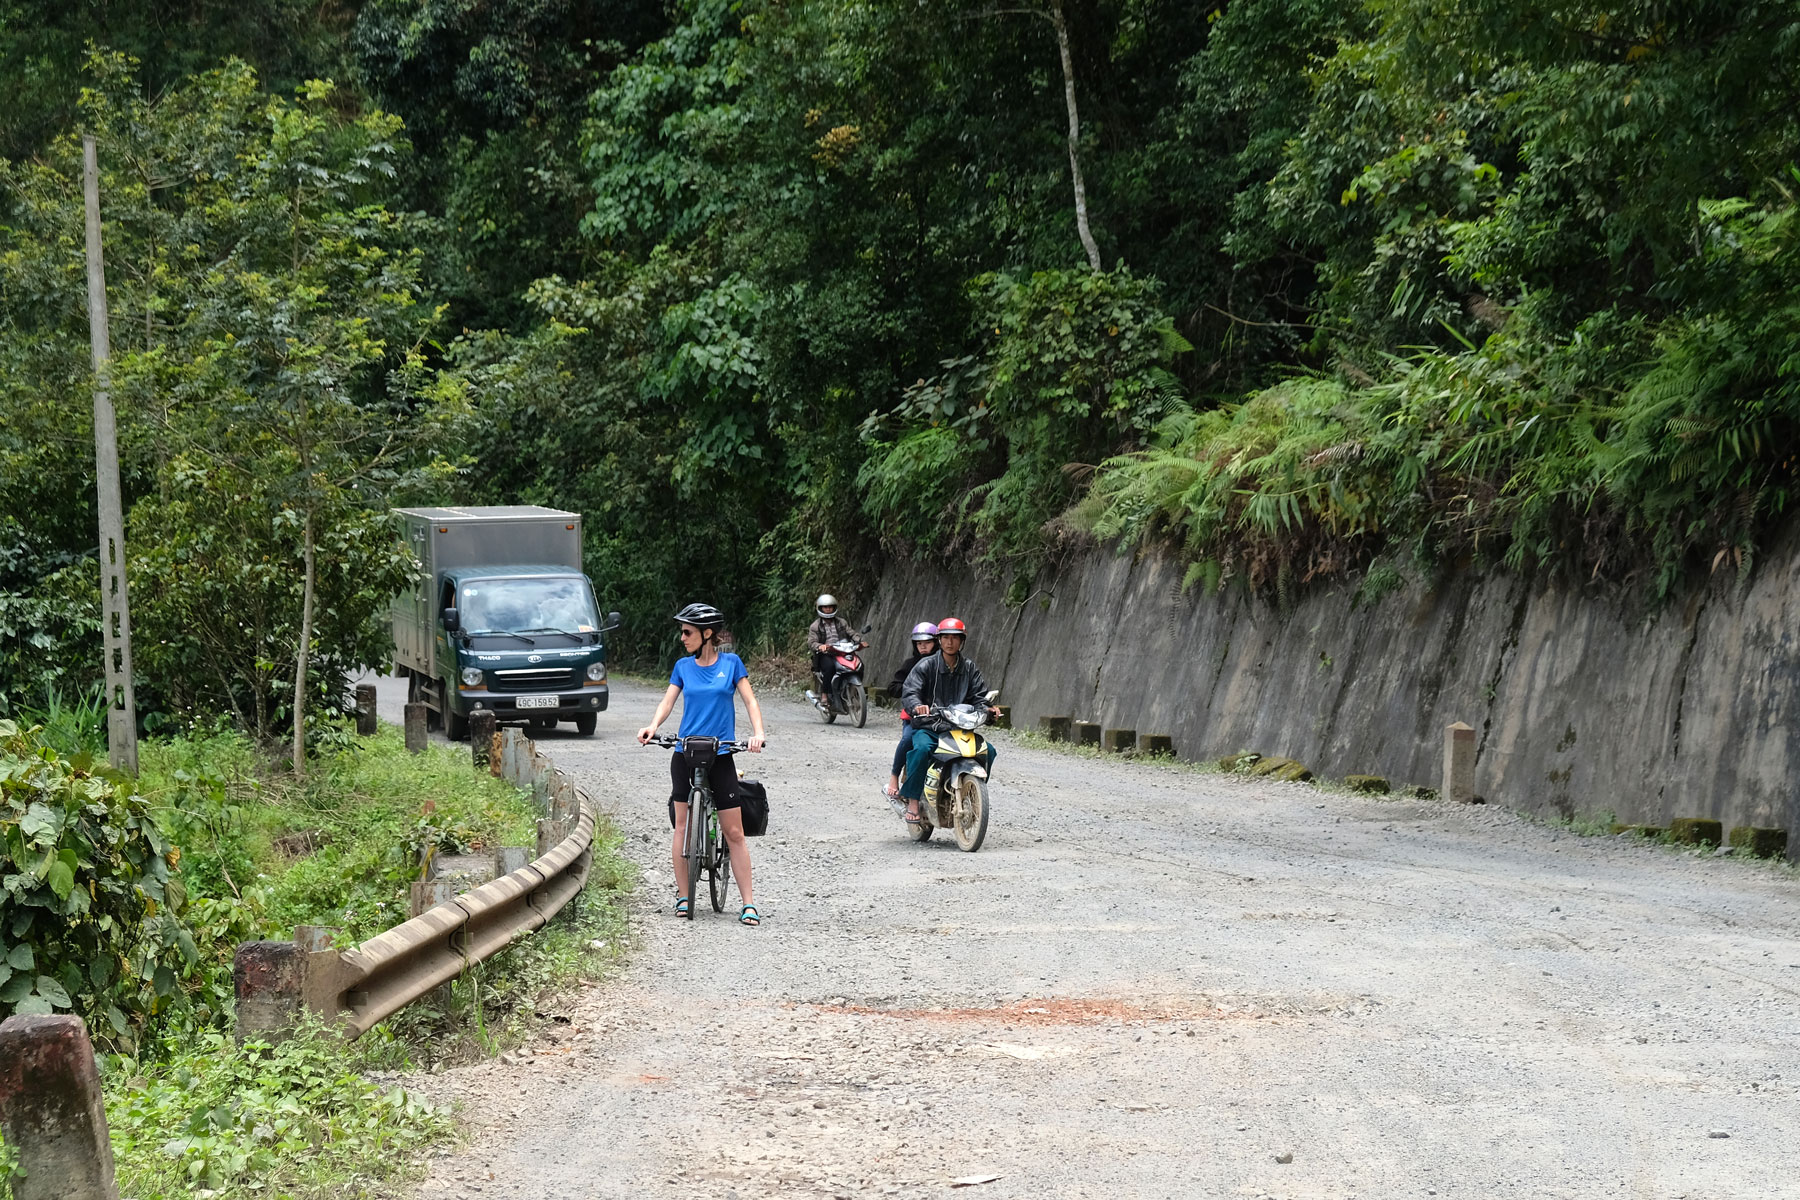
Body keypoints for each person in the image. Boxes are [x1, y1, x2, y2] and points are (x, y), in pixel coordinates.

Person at [637, 602, 768, 926]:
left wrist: (757, 734)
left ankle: (748, 904)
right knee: (681, 827)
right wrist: (652, 726)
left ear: (707, 634)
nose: (682, 637)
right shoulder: (683, 666)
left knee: (734, 832)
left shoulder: (732, 664)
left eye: (687, 632)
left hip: (721, 754)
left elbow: (749, 700)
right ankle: (683, 897)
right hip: (685, 752)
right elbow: (668, 701)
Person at [897, 617, 999, 822]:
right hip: (929, 726)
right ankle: (914, 801)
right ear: (939, 640)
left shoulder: (970, 668)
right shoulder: (926, 665)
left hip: (959, 728)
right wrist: (918, 706)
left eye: (955, 638)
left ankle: (972, 789)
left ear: (962, 641)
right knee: (922, 749)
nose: (950, 642)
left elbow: (979, 696)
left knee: (989, 750)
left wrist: (989, 710)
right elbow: (910, 691)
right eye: (946, 638)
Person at [883, 621, 939, 799]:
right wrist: (909, 691)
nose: (923, 646)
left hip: (940, 716)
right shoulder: (910, 664)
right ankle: (894, 776)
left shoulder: (943, 663)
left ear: (936, 642)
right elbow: (893, 687)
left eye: (927, 642)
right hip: (913, 716)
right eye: (919, 643)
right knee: (908, 738)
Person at [806, 593, 864, 705]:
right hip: (825, 653)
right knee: (830, 668)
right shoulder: (815, 626)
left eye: (830, 607)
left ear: (834, 608)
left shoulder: (841, 622)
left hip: (842, 651)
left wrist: (859, 640)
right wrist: (820, 646)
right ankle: (825, 694)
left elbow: (851, 633)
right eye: (825, 607)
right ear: (820, 608)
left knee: (859, 665)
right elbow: (811, 642)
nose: (828, 609)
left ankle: (854, 688)